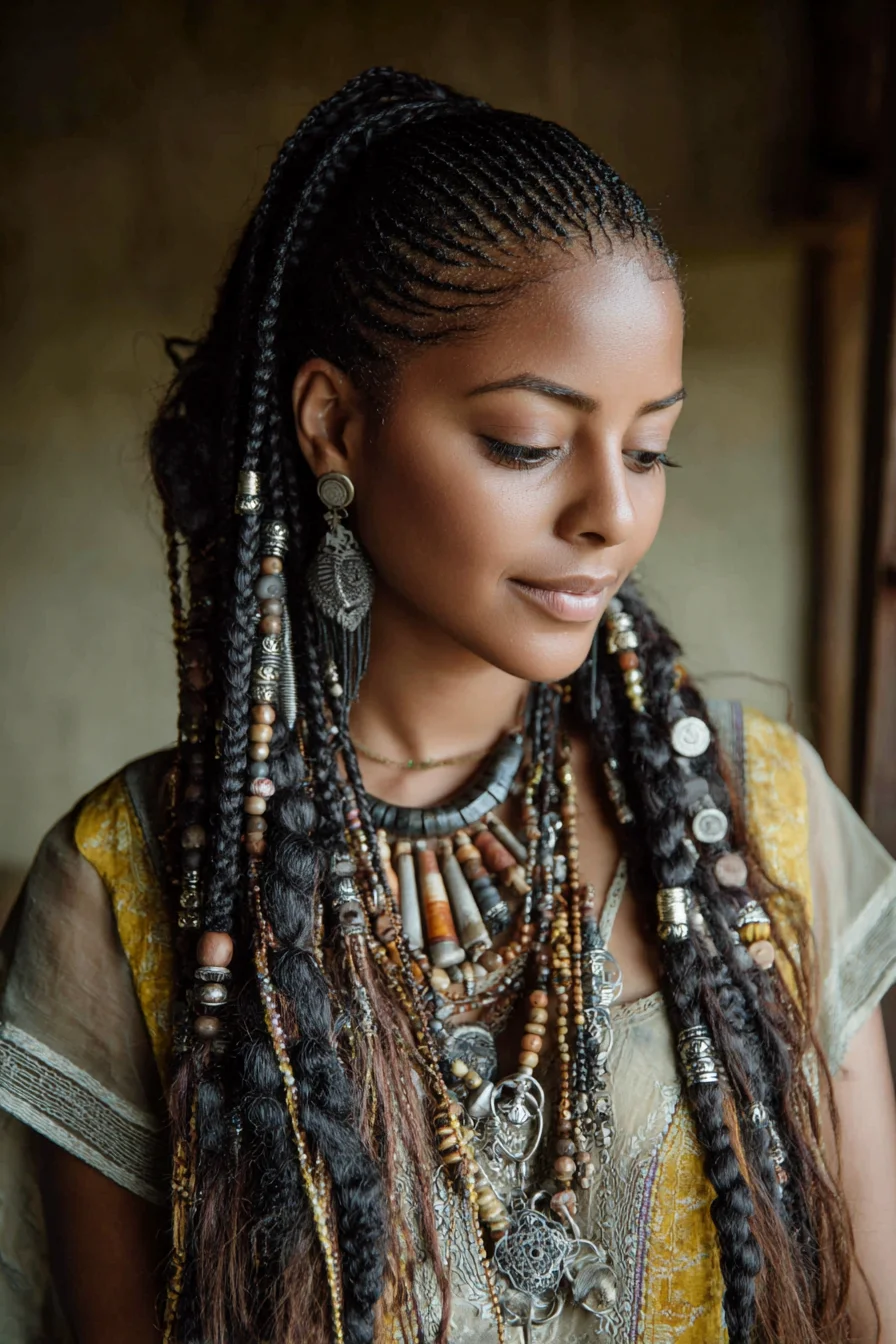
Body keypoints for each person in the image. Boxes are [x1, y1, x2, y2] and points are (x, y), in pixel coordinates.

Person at [0, 66, 895, 1344]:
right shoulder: (130, 889)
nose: (611, 513)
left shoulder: (757, 812)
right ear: (332, 426)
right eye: (530, 442)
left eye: (650, 448)